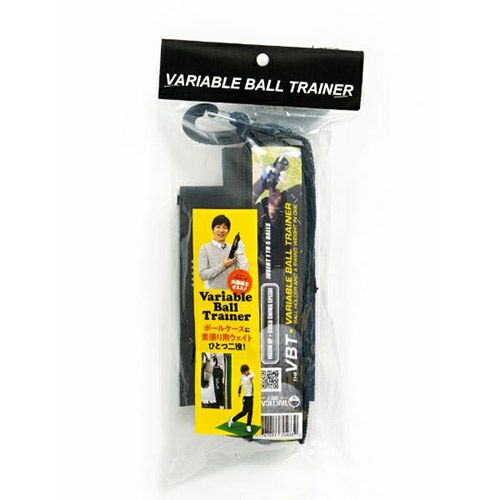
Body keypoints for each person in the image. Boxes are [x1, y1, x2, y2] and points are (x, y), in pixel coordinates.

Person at [198, 214, 248, 289]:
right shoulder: (205, 248)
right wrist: (223, 266)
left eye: (225, 227)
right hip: (213, 294)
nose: (221, 230)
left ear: (228, 231)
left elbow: (244, 273)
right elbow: (203, 275)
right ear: (213, 229)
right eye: (218, 227)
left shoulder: (233, 249)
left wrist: (241, 254)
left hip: (231, 294)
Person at [228, 364, 254, 433]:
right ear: (243, 372)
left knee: (244, 412)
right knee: (250, 411)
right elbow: (253, 374)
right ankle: (248, 425)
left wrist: (239, 392)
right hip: (247, 397)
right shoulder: (246, 378)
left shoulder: (242, 377)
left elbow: (240, 386)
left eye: (248, 370)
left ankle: (232, 419)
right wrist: (248, 373)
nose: (248, 372)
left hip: (249, 397)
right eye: (246, 371)